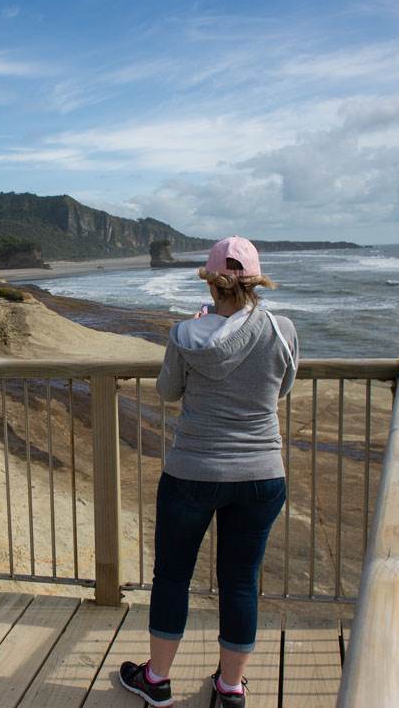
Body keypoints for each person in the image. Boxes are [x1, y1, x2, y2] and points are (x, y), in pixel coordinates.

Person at [119, 236, 298, 707]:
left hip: (193, 471)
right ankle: (231, 687)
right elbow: (281, 388)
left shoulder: (184, 334)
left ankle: (156, 679)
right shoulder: (283, 330)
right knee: (240, 581)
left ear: (209, 281)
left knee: (173, 577)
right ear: (256, 280)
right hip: (261, 473)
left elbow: (167, 391)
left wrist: (199, 335)